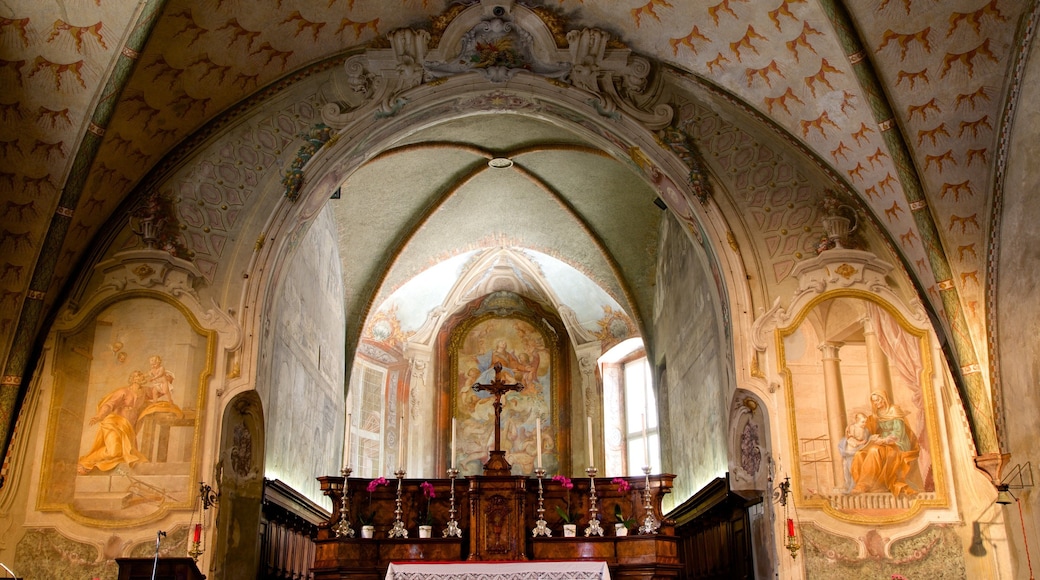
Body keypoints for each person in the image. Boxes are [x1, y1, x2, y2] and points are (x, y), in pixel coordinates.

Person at [77, 369, 183, 474]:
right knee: (114, 451)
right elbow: (110, 404)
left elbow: (161, 391)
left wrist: (168, 379)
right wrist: (100, 415)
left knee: (122, 452)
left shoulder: (145, 391)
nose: (142, 376)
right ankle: (86, 462)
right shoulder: (123, 392)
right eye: (138, 375)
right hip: (114, 423)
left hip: (128, 428)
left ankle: (91, 463)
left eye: (141, 374)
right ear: (133, 379)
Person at [849, 391, 922, 497]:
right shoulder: (877, 413)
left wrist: (884, 440)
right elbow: (873, 430)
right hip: (883, 441)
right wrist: (872, 438)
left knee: (875, 450)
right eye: (873, 401)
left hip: (898, 443)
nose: (876, 403)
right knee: (860, 454)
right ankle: (873, 484)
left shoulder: (894, 410)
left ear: (884, 398)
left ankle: (863, 485)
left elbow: (899, 433)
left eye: (877, 400)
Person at [838, 412, 869, 493]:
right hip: (851, 452)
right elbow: (850, 440)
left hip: (860, 452)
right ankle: (850, 487)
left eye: (865, 422)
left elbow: (866, 440)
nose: (864, 424)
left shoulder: (866, 430)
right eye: (862, 422)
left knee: (859, 469)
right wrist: (860, 443)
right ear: (857, 421)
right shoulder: (852, 428)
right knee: (851, 469)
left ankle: (857, 487)